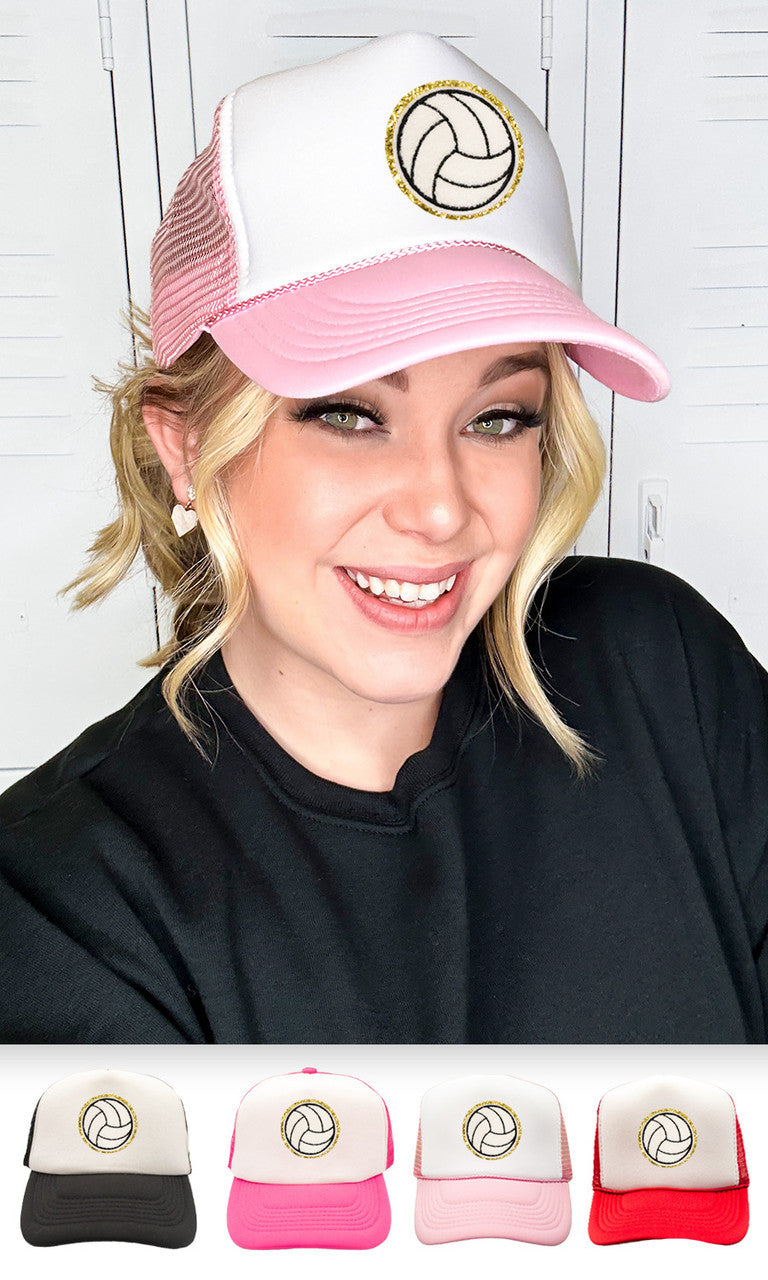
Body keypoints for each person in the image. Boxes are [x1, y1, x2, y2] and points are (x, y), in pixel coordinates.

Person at [1, 31, 767, 1044]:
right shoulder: (59, 906)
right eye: (350, 414)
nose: (440, 509)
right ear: (185, 445)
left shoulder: (659, 672)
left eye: (500, 417)